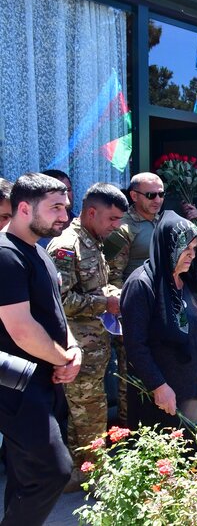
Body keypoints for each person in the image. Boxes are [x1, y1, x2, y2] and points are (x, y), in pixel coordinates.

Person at [0, 173, 80, 524]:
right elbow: (21, 329)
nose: (64, 215)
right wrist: (64, 359)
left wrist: (73, 348)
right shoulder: (5, 255)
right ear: (23, 208)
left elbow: (55, 312)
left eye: (65, 206)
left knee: (24, 473)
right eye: (55, 208)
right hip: (17, 384)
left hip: (47, 379)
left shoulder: (38, 251)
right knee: (54, 471)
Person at [46, 183, 127, 489]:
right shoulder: (67, 245)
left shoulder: (91, 240)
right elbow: (61, 301)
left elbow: (91, 287)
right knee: (88, 415)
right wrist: (105, 302)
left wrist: (110, 294)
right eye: (112, 219)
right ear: (92, 212)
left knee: (86, 413)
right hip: (77, 348)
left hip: (95, 346)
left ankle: (76, 474)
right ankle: (94, 476)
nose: (116, 226)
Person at [121, 211, 197, 430]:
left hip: (189, 384)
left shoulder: (187, 278)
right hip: (160, 391)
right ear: (168, 247)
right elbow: (135, 345)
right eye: (186, 249)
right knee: (162, 452)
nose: (192, 255)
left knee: (189, 449)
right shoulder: (142, 285)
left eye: (195, 249)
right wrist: (158, 386)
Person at [104, 171, 165, 424]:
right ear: (134, 195)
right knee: (132, 372)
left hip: (160, 310)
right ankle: (129, 428)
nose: (157, 200)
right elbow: (112, 275)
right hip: (134, 309)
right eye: (151, 195)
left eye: (161, 194)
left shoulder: (163, 221)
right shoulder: (122, 229)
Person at [38, 169, 76, 248]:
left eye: (68, 190)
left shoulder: (82, 225)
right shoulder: (37, 232)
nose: (67, 195)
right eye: (61, 191)